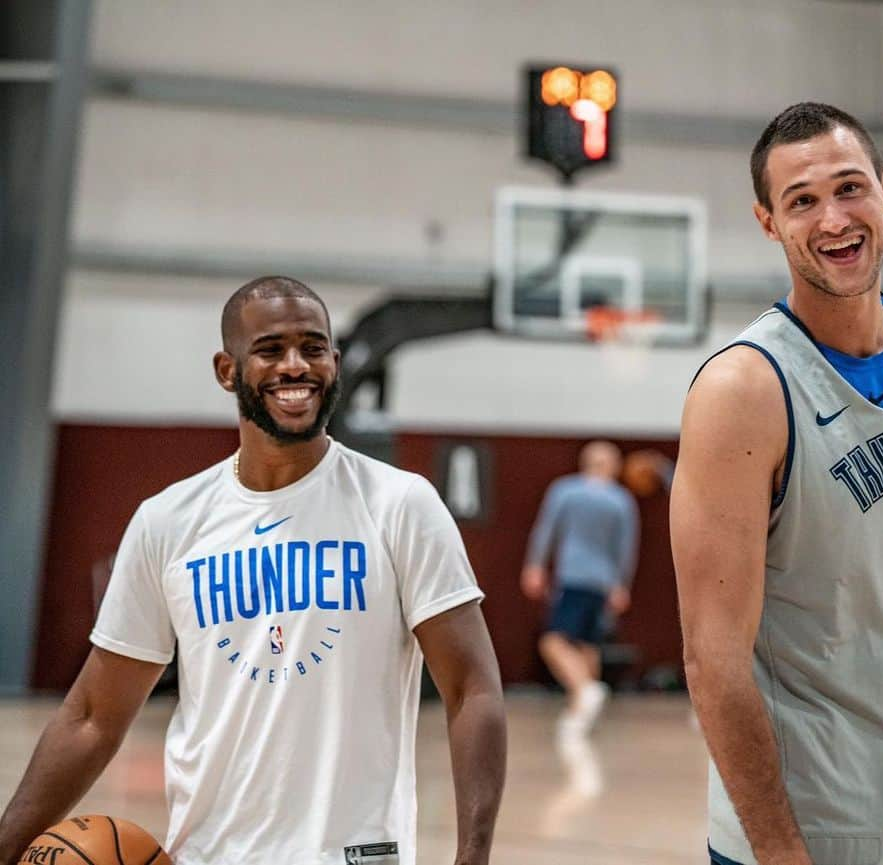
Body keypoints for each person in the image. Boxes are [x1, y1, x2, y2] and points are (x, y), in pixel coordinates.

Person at [0, 277, 507, 865]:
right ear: (226, 369)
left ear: (335, 364)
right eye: (270, 350)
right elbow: (92, 717)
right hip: (208, 854)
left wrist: (473, 857)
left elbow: (473, 690)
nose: (296, 366)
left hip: (352, 855)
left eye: (313, 348)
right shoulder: (168, 521)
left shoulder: (400, 503)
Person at [671, 103, 883, 865]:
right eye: (801, 201)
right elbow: (712, 657)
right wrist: (779, 850)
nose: (834, 219)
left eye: (850, 187)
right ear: (768, 222)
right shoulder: (743, 390)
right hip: (818, 831)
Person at [521, 440, 639, 737]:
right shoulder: (622, 500)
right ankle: (580, 717)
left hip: (572, 577)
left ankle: (584, 691)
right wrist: (621, 584)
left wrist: (535, 564)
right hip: (603, 581)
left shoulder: (565, 490)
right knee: (587, 644)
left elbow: (546, 529)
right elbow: (626, 547)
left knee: (553, 642)